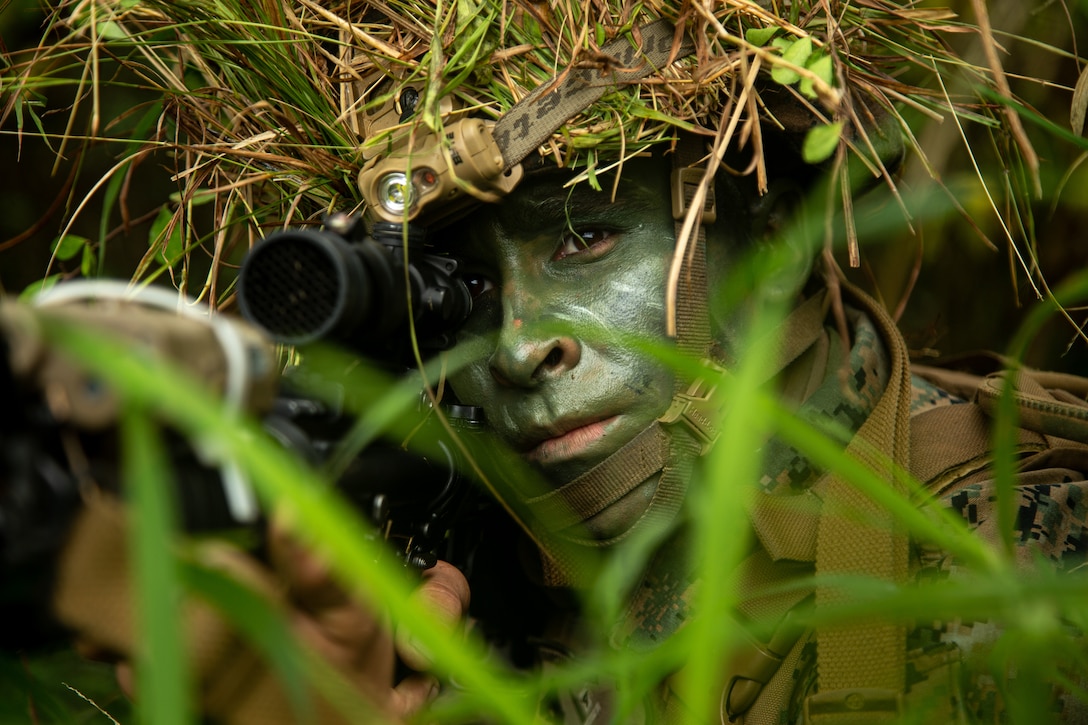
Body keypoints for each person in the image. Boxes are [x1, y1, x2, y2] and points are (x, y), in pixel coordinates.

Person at [4, 1, 1088, 723]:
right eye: (459, 283)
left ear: (760, 222)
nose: (521, 345)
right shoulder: (463, 587)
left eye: (584, 236)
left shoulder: (1015, 569)